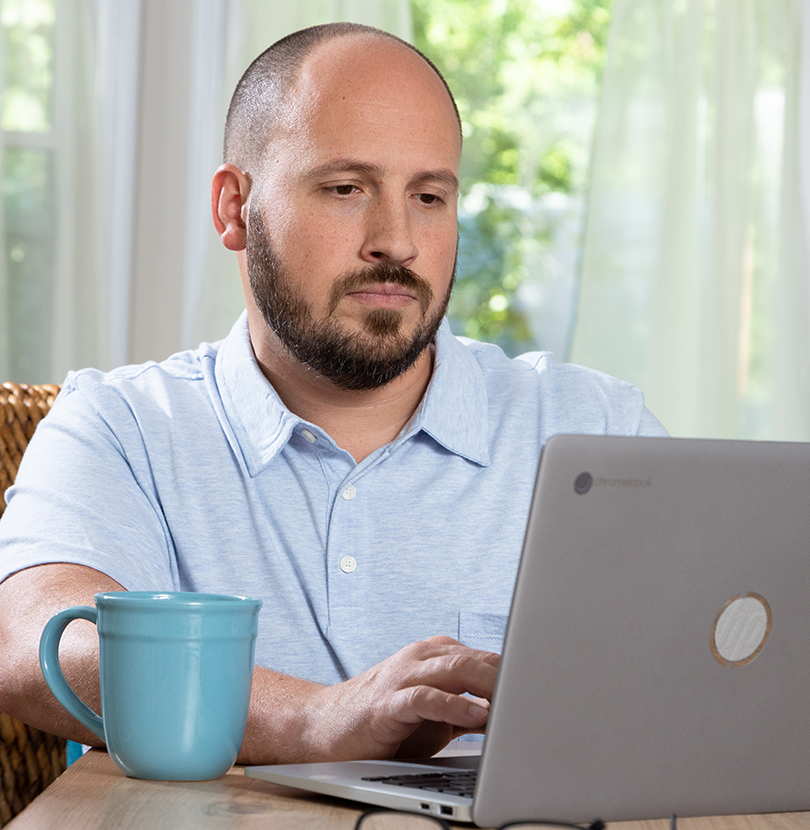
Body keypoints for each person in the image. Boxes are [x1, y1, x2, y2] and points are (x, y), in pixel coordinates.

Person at [0, 22, 665, 764]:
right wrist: (316, 718)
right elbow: (36, 650)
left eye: (429, 196)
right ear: (233, 208)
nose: (397, 241)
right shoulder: (121, 427)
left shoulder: (598, 427)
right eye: (346, 188)